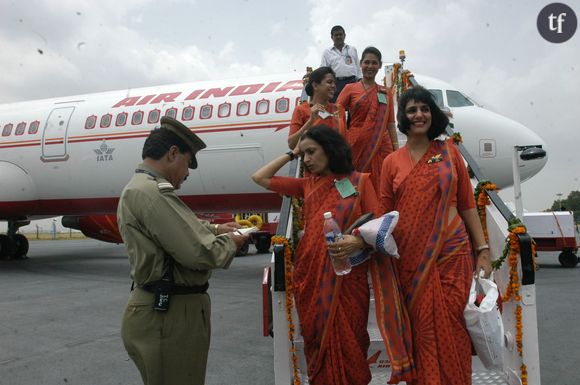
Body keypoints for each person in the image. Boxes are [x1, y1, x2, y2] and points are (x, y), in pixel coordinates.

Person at [252, 125, 415, 385]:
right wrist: (291, 153)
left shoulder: (359, 181)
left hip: (349, 279)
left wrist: (358, 242)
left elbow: (379, 226)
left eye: (311, 152)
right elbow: (259, 177)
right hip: (311, 277)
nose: (306, 159)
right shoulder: (306, 185)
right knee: (317, 341)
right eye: (303, 154)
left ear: (329, 150)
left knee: (351, 342)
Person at [117, 116, 248, 385]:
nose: (187, 173)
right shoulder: (151, 192)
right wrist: (232, 241)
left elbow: (175, 229)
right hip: (168, 315)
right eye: (187, 163)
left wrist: (215, 229)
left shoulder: (145, 189)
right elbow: (199, 252)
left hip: (170, 310)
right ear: (172, 153)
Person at [379, 86, 493, 385]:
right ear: (403, 117)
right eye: (412, 110)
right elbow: (385, 216)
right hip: (412, 258)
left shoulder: (450, 153)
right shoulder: (391, 162)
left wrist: (482, 249)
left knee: (453, 325)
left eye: (424, 109)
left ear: (433, 113)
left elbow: (468, 204)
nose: (419, 115)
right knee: (424, 329)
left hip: (453, 253)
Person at [337, 46, 398, 192]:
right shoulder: (349, 89)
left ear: (380, 66)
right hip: (356, 144)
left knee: (384, 187)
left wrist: (396, 150)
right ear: (360, 64)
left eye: (374, 63)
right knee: (358, 188)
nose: (370, 66)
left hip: (381, 146)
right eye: (367, 62)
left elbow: (390, 124)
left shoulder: (385, 92)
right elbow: (336, 114)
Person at [288, 66, 346, 151]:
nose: (334, 86)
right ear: (315, 85)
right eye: (329, 82)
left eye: (334, 83)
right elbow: (292, 144)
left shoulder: (338, 110)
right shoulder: (301, 110)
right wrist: (310, 122)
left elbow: (345, 142)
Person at [320, 25, 362, 102]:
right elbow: (323, 70)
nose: (339, 37)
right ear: (332, 37)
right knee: (337, 107)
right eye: (336, 35)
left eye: (340, 34)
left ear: (344, 35)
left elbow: (358, 67)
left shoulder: (352, 49)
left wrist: (360, 80)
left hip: (352, 81)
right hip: (336, 83)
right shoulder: (327, 52)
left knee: (354, 106)